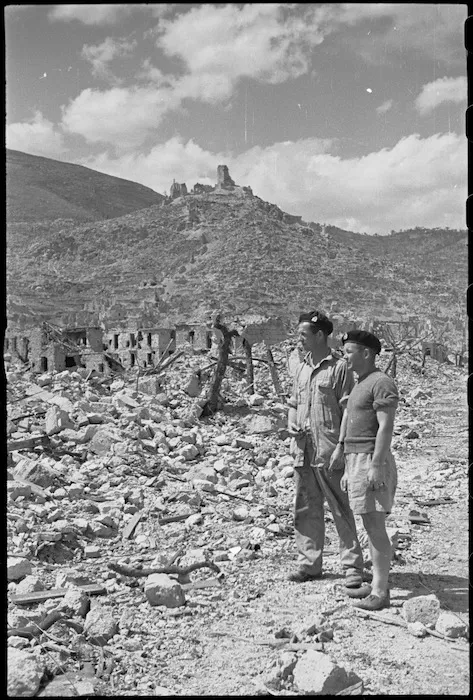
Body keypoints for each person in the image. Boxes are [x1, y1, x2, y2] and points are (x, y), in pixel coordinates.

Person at [286, 311, 366, 593]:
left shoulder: (340, 368)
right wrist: (290, 422)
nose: (299, 339)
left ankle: (353, 567)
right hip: (303, 450)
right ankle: (309, 564)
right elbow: (294, 403)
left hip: (328, 449)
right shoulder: (301, 367)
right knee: (305, 507)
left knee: (340, 508)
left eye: (304, 335)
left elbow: (348, 411)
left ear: (320, 335)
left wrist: (342, 448)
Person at [340, 330, 399, 610]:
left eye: (349, 352)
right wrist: (347, 471)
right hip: (357, 461)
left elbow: (385, 427)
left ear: (366, 353)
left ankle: (380, 591)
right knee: (368, 523)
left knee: (375, 527)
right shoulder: (360, 382)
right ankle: (375, 583)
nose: (345, 357)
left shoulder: (381, 382)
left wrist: (376, 465)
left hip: (371, 460)